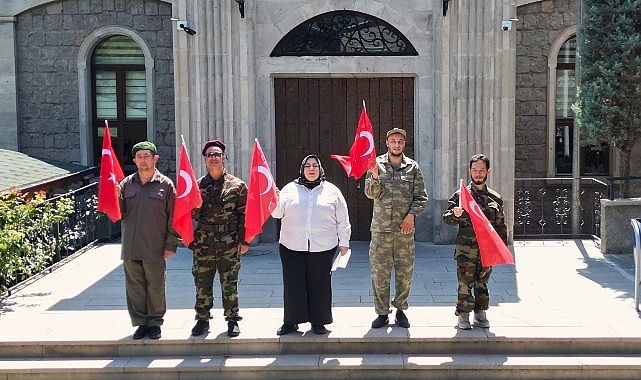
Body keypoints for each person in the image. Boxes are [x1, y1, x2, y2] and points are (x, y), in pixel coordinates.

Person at [271, 154, 351, 335]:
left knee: (320, 284)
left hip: (323, 246)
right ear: (302, 169)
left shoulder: (332, 191)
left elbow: (343, 218)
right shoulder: (289, 189)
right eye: (308, 165)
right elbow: (277, 214)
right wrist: (274, 198)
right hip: (291, 246)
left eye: (315, 165)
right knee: (293, 284)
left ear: (320, 169)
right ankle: (291, 321)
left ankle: (318, 321)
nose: (312, 169)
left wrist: (344, 241)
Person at [364, 128, 428, 329]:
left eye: (400, 141)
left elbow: (421, 197)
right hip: (381, 231)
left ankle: (401, 310)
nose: (397, 144)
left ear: (404, 144)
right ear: (387, 143)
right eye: (393, 141)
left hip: (404, 231)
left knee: (404, 274)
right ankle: (382, 313)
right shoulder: (376, 165)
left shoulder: (413, 168)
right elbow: (370, 193)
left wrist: (411, 216)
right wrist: (374, 177)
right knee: (380, 274)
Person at [118, 141, 179, 340]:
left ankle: (155, 323)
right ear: (134, 160)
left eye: (147, 156)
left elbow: (174, 217)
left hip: (155, 246)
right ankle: (140, 323)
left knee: (155, 286)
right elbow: (117, 212)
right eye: (139, 157)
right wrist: (110, 194)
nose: (143, 160)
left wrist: (171, 244)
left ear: (155, 159)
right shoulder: (125, 184)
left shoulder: (166, 185)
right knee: (134, 287)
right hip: (131, 245)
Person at [189, 140, 249, 338]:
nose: (213, 157)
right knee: (202, 281)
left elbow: (244, 215)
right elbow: (189, 214)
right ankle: (202, 319)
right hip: (204, 242)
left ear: (224, 157)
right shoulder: (197, 185)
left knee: (229, 282)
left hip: (229, 241)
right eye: (209, 155)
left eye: (217, 154)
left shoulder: (238, 185)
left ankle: (232, 319)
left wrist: (244, 240)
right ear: (205, 159)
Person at [442, 153, 507, 330]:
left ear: (488, 171)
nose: (478, 174)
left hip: (486, 249)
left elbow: (501, 225)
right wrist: (454, 214)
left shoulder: (495, 198)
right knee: (464, 282)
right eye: (475, 170)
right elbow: (447, 219)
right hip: (466, 249)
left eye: (482, 170)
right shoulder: (461, 196)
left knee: (482, 282)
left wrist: (501, 248)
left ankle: (480, 312)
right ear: (469, 171)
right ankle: (463, 314)